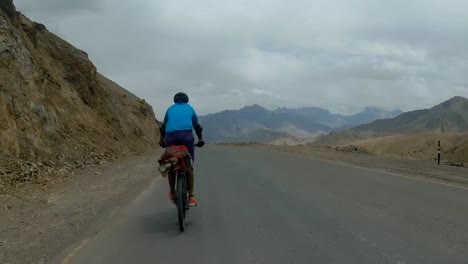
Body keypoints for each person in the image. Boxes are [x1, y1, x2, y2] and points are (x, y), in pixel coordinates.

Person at [159, 92, 204, 206]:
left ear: (175, 100)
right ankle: (191, 197)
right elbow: (197, 126)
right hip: (187, 137)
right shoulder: (190, 108)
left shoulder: (169, 109)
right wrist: (200, 139)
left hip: (171, 137)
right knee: (189, 167)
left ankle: (173, 193)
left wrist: (161, 140)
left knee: (171, 165)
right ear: (187, 100)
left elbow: (163, 127)